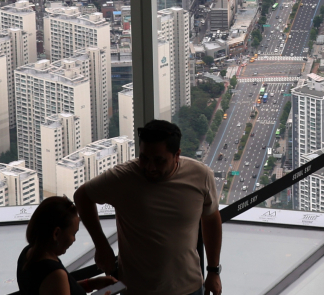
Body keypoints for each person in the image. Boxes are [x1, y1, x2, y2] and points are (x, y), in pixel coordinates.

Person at [74, 119, 223, 295]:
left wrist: (213, 271)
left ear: (177, 155)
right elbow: (82, 196)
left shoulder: (200, 176)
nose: (150, 167)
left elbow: (211, 219)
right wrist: (101, 246)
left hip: (188, 287)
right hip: (136, 289)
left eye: (159, 161)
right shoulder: (124, 178)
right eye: (144, 158)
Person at [17, 196, 119, 295]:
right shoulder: (55, 274)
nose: (74, 239)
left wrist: (91, 284)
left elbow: (59, 289)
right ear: (56, 233)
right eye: (73, 234)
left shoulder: (28, 253)